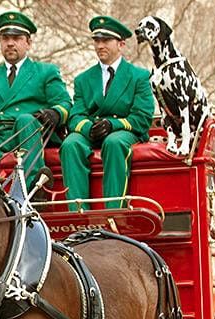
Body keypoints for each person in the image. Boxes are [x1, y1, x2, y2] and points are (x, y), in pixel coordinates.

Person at [0, 11, 71, 189]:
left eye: (17, 38)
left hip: (27, 133)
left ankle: (32, 188)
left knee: (25, 119)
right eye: (5, 38)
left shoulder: (46, 72)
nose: (10, 43)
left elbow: (65, 103)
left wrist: (55, 113)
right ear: (0, 42)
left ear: (28, 43)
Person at [59, 15, 155, 209]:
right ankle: (77, 213)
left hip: (124, 132)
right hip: (92, 132)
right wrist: (88, 129)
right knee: (70, 144)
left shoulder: (139, 77)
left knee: (114, 142)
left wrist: (113, 124)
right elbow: (76, 115)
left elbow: (142, 117)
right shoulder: (83, 79)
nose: (100, 45)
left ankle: (113, 210)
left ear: (121, 44)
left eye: (106, 41)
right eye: (97, 41)